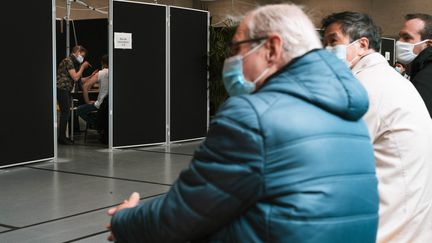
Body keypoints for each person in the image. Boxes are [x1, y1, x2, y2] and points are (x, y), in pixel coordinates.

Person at [107, 4, 379, 242]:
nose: (232, 61)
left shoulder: (253, 116)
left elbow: (184, 214)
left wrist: (125, 220)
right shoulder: (350, 116)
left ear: (272, 48)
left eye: (238, 49)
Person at [322, 11, 432, 243]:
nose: (326, 50)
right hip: (411, 220)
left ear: (362, 44)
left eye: (333, 41)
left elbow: (333, 163)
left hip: (390, 227)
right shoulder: (387, 79)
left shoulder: (364, 87)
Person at [397, 13, 432, 117]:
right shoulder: (422, 67)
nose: (399, 42)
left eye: (407, 38)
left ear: (428, 44)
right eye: (400, 37)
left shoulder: (427, 75)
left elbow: (415, 117)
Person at [56, 45, 91, 145]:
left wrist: (91, 76)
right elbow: (75, 77)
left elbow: (80, 80)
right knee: (65, 112)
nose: (82, 58)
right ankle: (61, 137)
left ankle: (62, 137)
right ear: (77, 52)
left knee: (66, 113)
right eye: (82, 55)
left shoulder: (74, 63)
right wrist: (83, 67)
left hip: (66, 90)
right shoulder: (68, 61)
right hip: (62, 89)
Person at [76, 54, 109, 130]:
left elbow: (85, 87)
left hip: (101, 105)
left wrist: (87, 101)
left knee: (79, 110)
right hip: (112, 106)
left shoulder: (101, 73)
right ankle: (101, 124)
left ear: (103, 63)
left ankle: (96, 124)